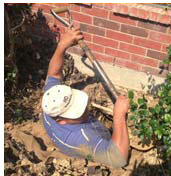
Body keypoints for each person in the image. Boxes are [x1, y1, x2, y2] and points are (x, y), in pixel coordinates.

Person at [41, 26, 130, 168]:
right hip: (94, 142)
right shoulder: (82, 137)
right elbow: (118, 159)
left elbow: (53, 74)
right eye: (77, 111)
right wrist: (118, 116)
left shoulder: (51, 100)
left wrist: (62, 45)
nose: (85, 109)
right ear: (63, 121)